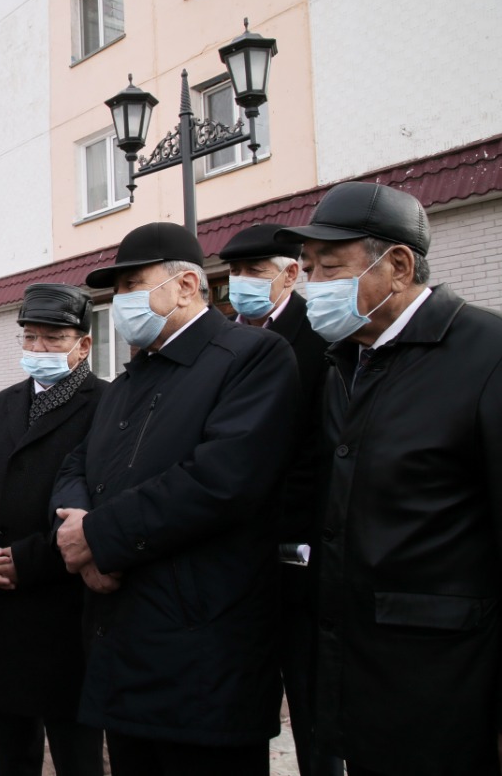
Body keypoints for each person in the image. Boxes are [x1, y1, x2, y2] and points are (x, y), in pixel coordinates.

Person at [274, 181, 502, 776]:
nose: (313, 288)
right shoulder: (348, 363)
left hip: (449, 696)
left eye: (330, 268)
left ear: (397, 265)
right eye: (307, 270)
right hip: (360, 692)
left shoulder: (496, 356)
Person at [51, 221, 299, 776]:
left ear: (187, 286)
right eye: (115, 293)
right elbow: (78, 464)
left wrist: (98, 538)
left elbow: (218, 480)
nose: (120, 303)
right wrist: (75, 528)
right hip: (124, 643)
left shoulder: (253, 357)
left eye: (132, 285)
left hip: (204, 656)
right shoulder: (133, 375)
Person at [0, 283, 109, 776]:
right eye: (30, 338)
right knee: (10, 750)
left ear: (83, 344)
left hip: (64, 607)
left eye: (53, 339)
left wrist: (28, 561)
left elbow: (101, 505)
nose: (39, 350)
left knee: (76, 751)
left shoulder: (108, 405)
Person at [218, 224, 339, 776]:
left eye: (255, 273)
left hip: (300, 550)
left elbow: (324, 452)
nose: (241, 284)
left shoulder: (323, 339)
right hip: (231, 553)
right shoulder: (221, 340)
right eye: (235, 273)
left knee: (312, 694)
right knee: (240, 692)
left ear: (291, 274)